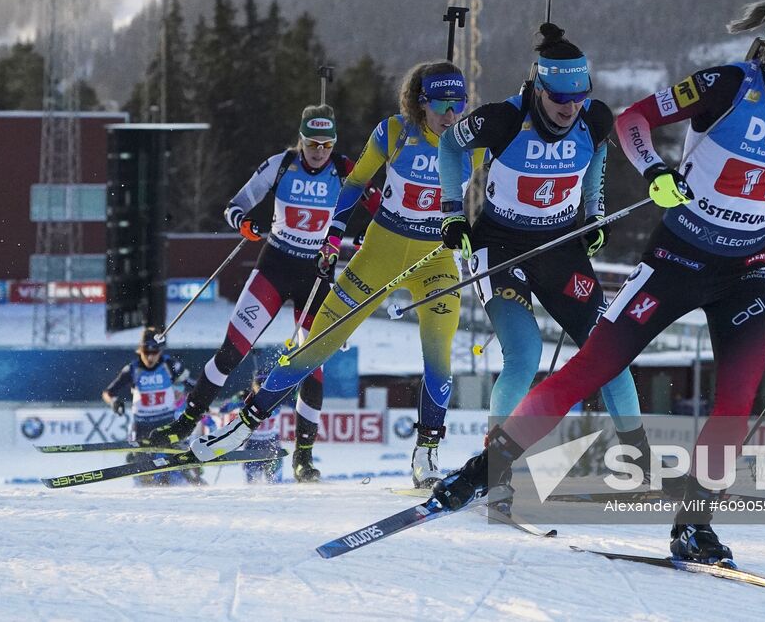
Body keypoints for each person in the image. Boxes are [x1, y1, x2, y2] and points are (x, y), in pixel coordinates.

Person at [433, 0, 765, 564]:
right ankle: (484, 468)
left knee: (737, 399)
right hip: (678, 259)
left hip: (743, 270)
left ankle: (695, 524)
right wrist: (655, 172)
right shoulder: (725, 84)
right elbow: (632, 119)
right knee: (593, 364)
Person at [186, 62, 483, 488]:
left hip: (435, 259)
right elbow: (355, 183)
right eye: (441, 104)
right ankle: (245, 424)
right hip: (380, 252)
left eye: (459, 104)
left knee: (439, 355)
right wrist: (332, 237)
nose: (451, 114)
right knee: (315, 347)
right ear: (421, 103)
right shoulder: (394, 133)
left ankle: (427, 452)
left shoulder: (473, 142)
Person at [438, 23, 647, 457]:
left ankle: (641, 459)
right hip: (499, 246)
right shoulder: (503, 118)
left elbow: (598, 154)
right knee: (524, 355)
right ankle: (495, 465)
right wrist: (452, 213)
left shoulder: (594, 117)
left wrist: (596, 213)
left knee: (608, 350)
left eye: (579, 96)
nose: (571, 108)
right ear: (538, 88)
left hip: (560, 246)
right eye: (560, 97)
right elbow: (448, 145)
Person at [145, 104, 355, 483]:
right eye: (312, 143)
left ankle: (304, 456)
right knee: (231, 351)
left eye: (326, 144)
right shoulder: (280, 164)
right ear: (301, 139)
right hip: (274, 266)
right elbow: (234, 207)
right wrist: (245, 224)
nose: (319, 151)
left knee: (312, 366)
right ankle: (185, 426)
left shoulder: (344, 170)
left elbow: (378, 208)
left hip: (317, 276)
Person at [104, 327, 192, 486]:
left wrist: (183, 390)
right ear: (140, 350)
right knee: (143, 473)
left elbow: (192, 384)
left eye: (154, 352)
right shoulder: (132, 369)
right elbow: (108, 392)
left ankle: (189, 482)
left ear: (160, 351)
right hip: (142, 427)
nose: (150, 357)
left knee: (175, 468)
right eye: (146, 352)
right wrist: (114, 402)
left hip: (167, 424)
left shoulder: (170, 365)